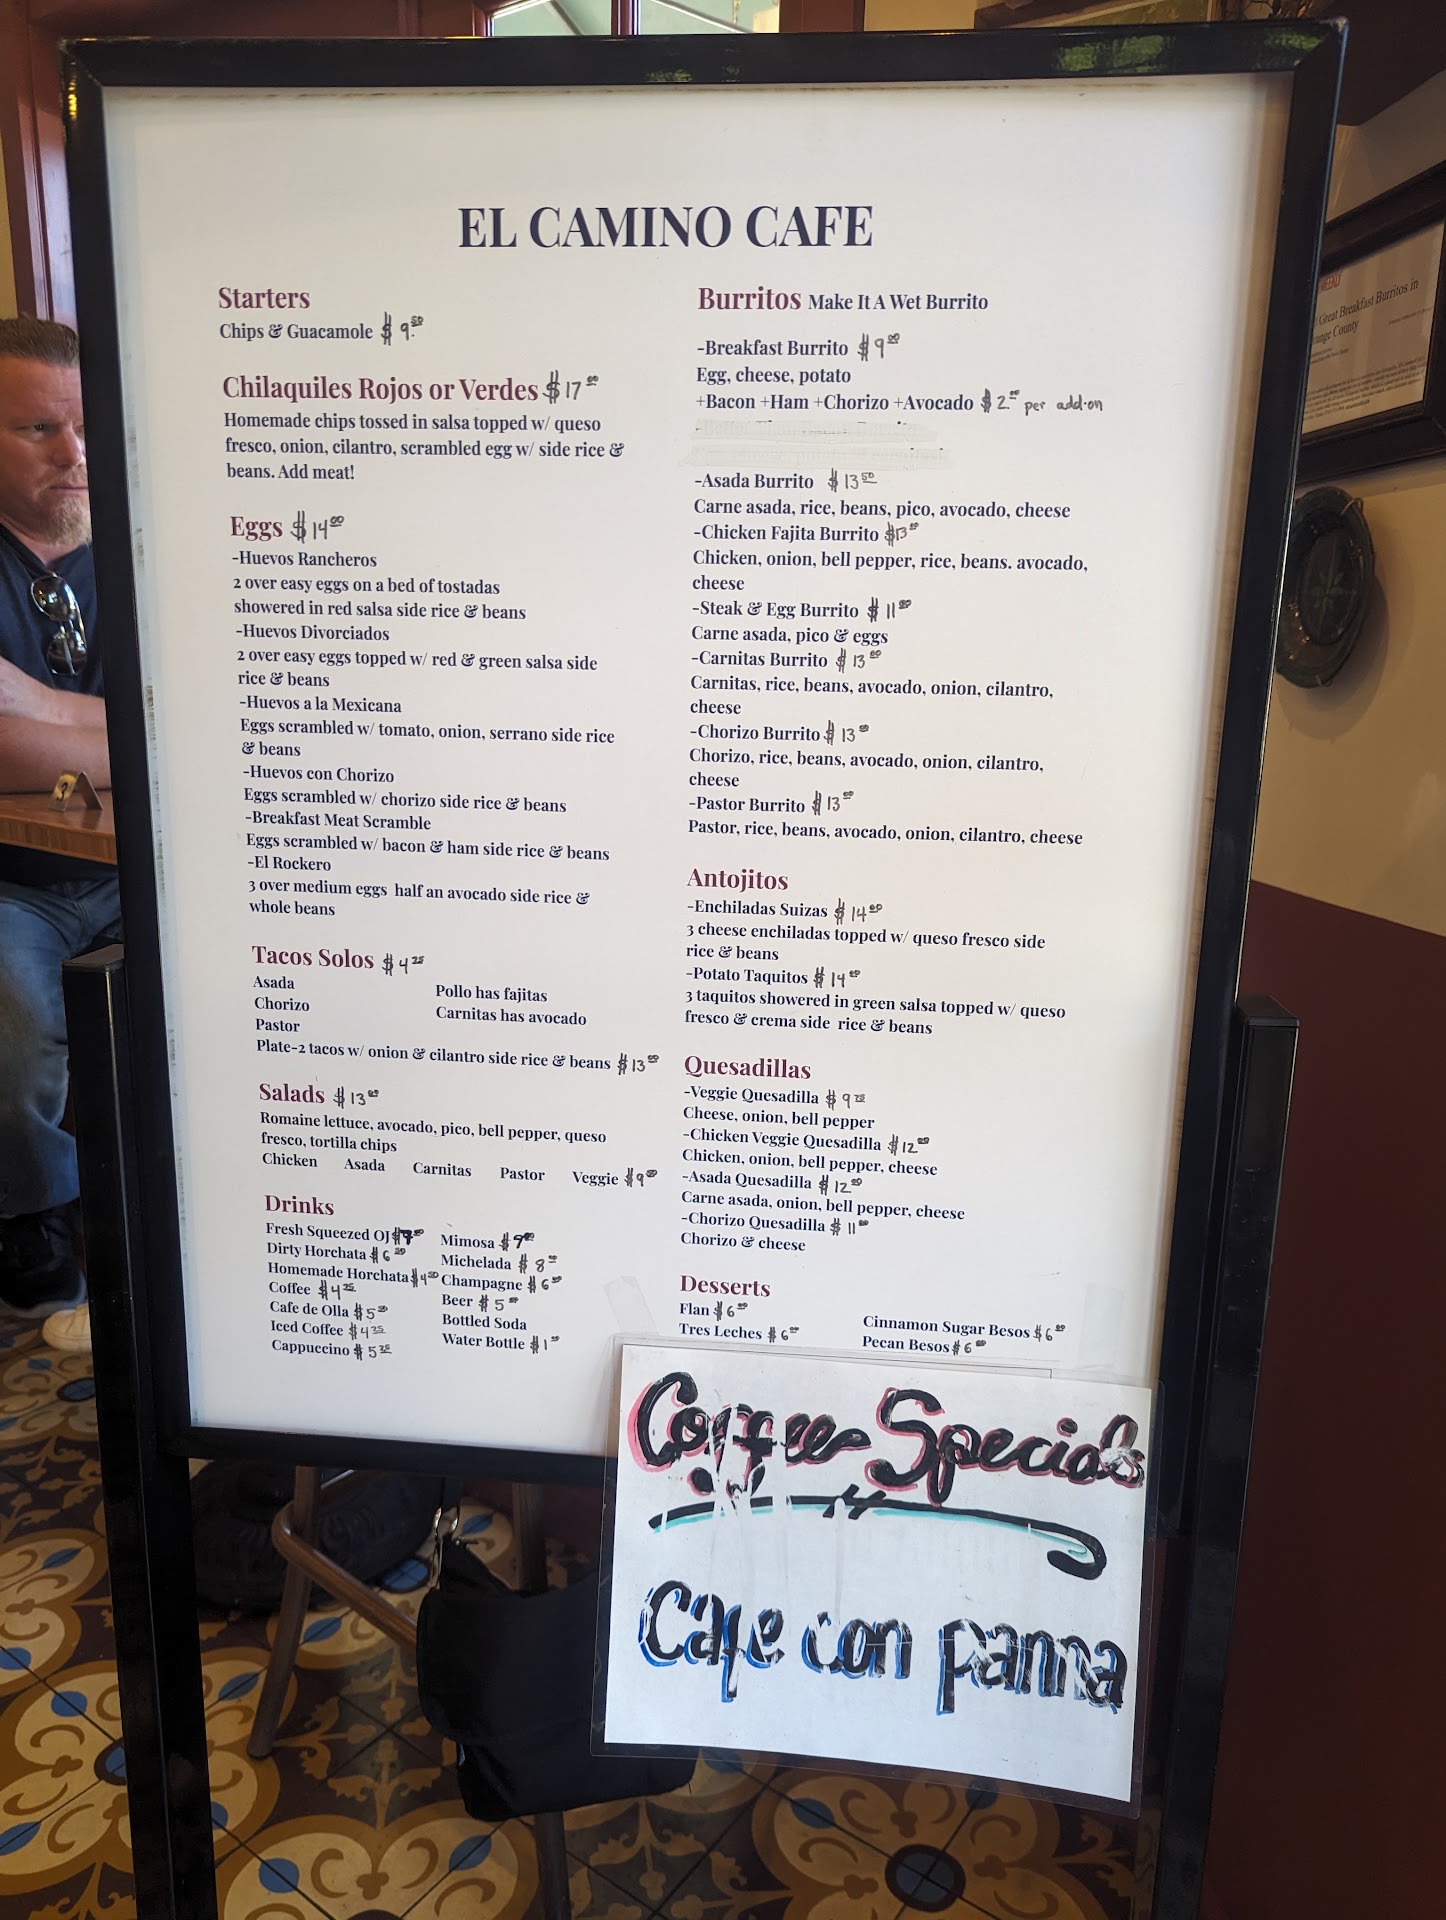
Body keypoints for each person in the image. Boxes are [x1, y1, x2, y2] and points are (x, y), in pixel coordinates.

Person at [0, 317, 114, 1351]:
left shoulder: (143, 542)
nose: (73, 451)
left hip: (140, 868)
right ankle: (36, 1222)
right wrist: (126, 734)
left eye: (82, 424)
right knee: (19, 1014)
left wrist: (41, 711)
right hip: (14, 882)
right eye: (40, 428)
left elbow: (211, 715)